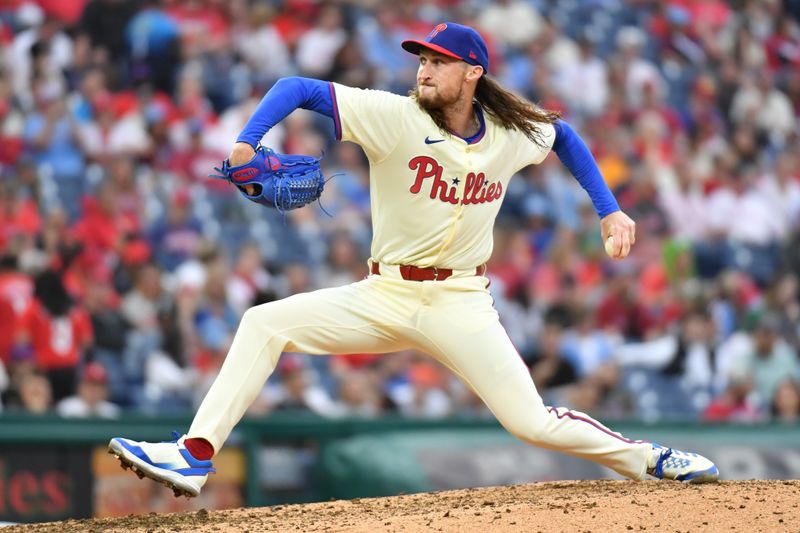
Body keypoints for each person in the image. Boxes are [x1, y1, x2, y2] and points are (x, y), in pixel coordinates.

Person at [109, 22, 718, 498]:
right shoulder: (394, 117)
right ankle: (194, 454)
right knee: (262, 322)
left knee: (531, 422)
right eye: (421, 59)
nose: (424, 69)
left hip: (461, 304)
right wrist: (248, 140)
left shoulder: (510, 133)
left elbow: (563, 136)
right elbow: (296, 88)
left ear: (471, 72)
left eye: (437, 61)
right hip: (383, 296)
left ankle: (650, 460)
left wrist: (608, 208)